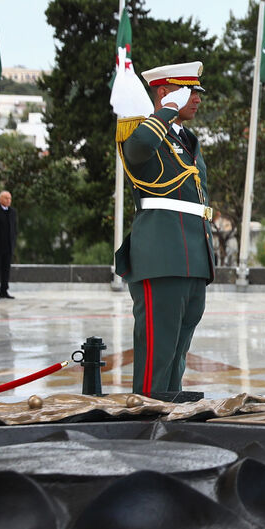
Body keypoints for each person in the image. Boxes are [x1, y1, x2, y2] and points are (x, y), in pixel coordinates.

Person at [114, 61, 214, 397]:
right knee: (157, 346)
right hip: (161, 253)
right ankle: (146, 412)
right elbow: (138, 148)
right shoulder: (143, 132)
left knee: (179, 347)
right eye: (189, 92)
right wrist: (166, 111)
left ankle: (170, 407)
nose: (198, 99)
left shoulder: (186, 139)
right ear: (164, 93)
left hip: (192, 256)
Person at [0, 190, 18, 299]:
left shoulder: (13, 212)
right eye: (6, 198)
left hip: (8, 246)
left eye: (10, 199)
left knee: (6, 270)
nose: (8, 201)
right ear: (0, 199)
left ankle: (4, 290)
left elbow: (14, 228)